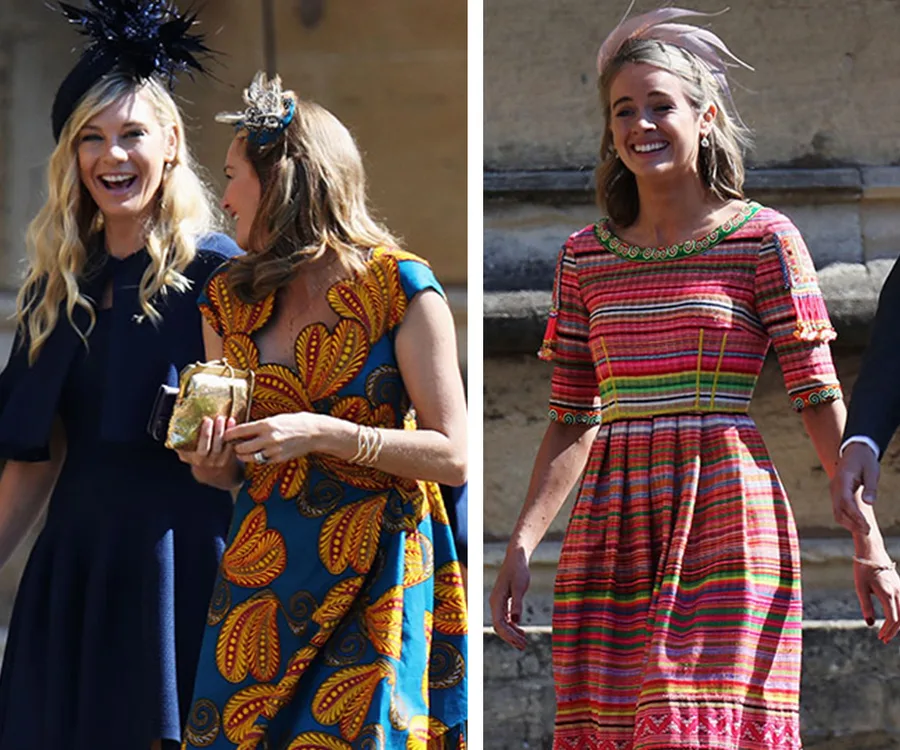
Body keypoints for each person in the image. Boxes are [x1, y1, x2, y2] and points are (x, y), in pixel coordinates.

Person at [489, 8, 900, 749]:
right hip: (610, 531)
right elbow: (571, 416)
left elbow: (817, 396)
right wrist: (520, 544)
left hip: (727, 523)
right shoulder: (584, 257)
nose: (641, 123)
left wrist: (867, 539)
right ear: (609, 130)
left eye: (660, 105)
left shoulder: (764, 238)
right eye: (624, 110)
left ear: (704, 118)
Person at [176, 72, 468, 750]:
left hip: (379, 568)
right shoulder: (226, 298)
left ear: (281, 181)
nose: (222, 198)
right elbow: (221, 475)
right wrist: (209, 459)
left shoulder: (401, 285)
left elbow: (454, 455)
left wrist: (323, 434)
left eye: (232, 176)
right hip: (262, 569)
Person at [0, 3, 241, 749]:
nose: (114, 156)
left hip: (183, 567)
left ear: (170, 143)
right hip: (74, 570)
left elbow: (243, 448)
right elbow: (38, 462)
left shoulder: (219, 271)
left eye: (132, 133)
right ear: (72, 157)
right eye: (92, 139)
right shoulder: (57, 286)